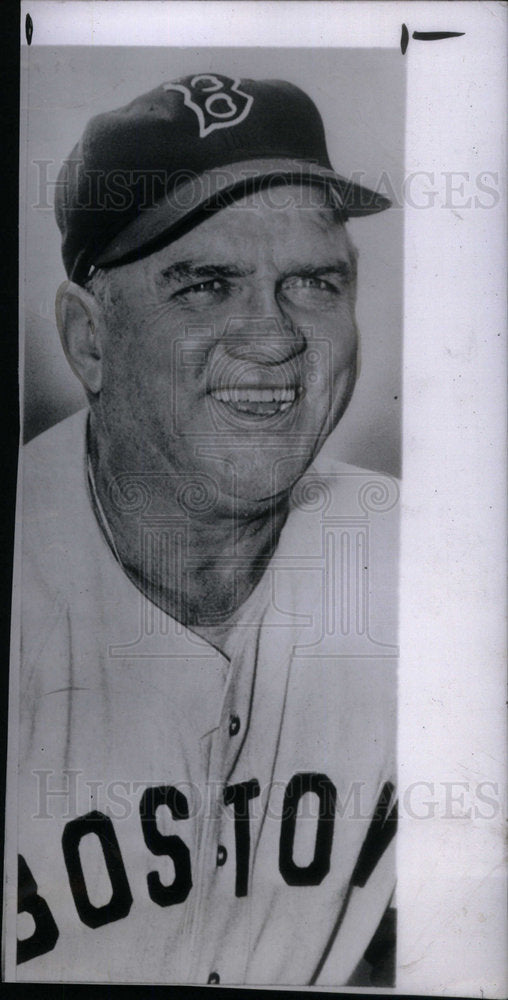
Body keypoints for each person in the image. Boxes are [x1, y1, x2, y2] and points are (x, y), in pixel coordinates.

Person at [12, 73, 398, 985]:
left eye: (312, 282)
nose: (271, 338)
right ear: (89, 340)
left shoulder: (434, 576)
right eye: (206, 287)